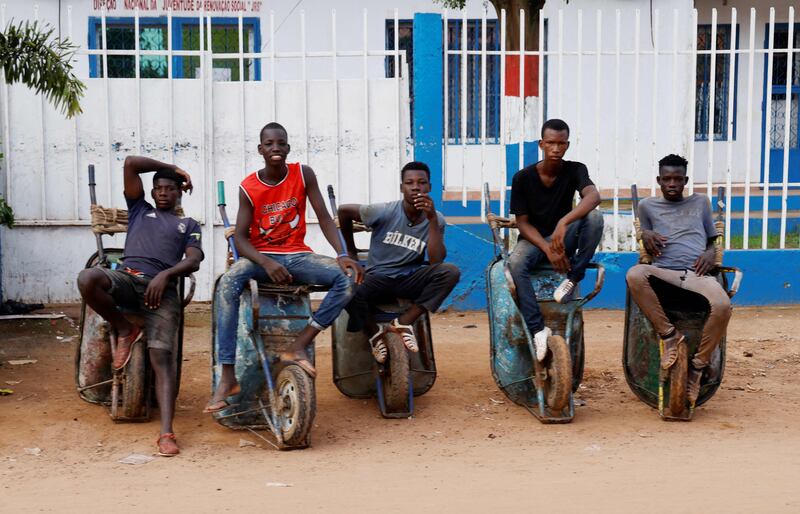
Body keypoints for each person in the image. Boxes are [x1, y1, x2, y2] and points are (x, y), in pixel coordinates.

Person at [205, 122, 362, 413]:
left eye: (281, 143)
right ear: (260, 149)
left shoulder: (304, 174)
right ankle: (228, 375)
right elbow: (239, 237)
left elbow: (326, 219)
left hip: (298, 255)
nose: (275, 148)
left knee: (347, 279)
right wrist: (265, 262)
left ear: (288, 148)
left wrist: (342, 253)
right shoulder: (248, 187)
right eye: (269, 144)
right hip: (259, 257)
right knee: (228, 282)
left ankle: (299, 344)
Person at [77, 156, 203, 457]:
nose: (163, 192)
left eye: (170, 188)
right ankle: (125, 328)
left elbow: (194, 259)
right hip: (126, 279)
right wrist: (175, 168)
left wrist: (166, 274)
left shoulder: (187, 224)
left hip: (162, 292)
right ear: (152, 191)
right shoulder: (139, 210)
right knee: (87, 278)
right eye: (158, 187)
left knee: (161, 356)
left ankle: (166, 432)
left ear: (179, 193)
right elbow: (131, 163)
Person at [626, 154, 732, 404]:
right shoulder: (647, 207)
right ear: (659, 180)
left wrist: (709, 254)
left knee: (724, 306)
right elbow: (646, 242)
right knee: (634, 274)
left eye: (677, 179)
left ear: (685, 180)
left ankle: (697, 368)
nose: (672, 184)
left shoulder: (701, 203)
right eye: (667, 179)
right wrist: (647, 235)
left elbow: (711, 240)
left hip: (697, 274)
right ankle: (670, 336)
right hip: (664, 272)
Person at [338, 161, 460, 361]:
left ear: (429, 187)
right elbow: (344, 211)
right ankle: (374, 335)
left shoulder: (436, 219)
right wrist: (349, 252)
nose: (415, 187)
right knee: (345, 287)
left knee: (450, 272)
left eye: (421, 183)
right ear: (402, 187)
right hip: (379, 277)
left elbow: (436, 260)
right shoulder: (385, 211)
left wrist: (431, 220)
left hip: (410, 278)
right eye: (409, 183)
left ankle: (404, 322)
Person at [507, 118, 604, 361]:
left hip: (564, 237)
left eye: (561, 143)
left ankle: (573, 277)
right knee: (516, 264)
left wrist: (564, 222)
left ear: (567, 145)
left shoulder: (575, 169)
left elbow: (593, 196)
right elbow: (522, 222)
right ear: (541, 144)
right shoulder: (523, 177)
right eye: (550, 143)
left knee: (594, 217)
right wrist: (547, 247)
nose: (556, 149)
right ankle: (538, 330)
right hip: (535, 240)